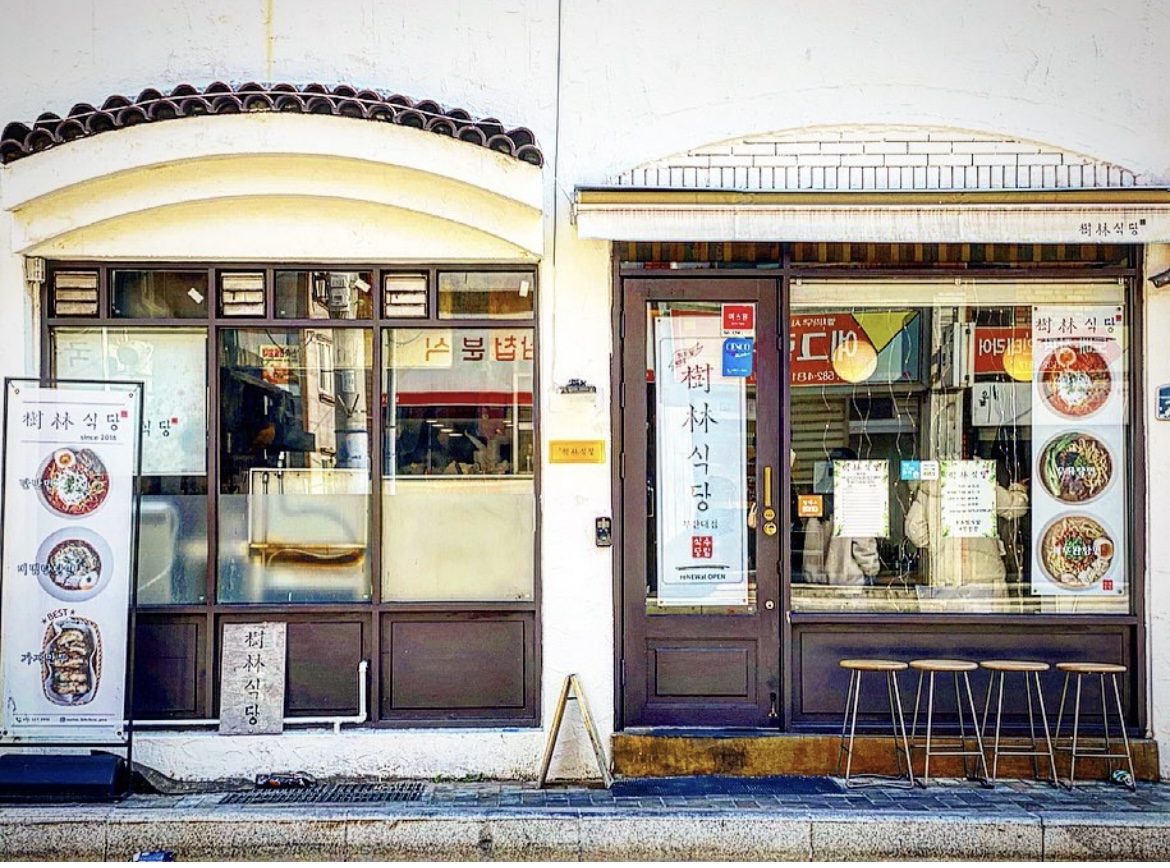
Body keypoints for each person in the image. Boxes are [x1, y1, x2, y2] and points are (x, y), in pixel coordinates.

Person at [903, 460, 1029, 598]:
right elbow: (1016, 508)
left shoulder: (929, 487)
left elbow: (915, 531)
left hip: (947, 577)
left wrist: (940, 545)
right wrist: (1019, 489)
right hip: (985, 576)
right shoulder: (981, 481)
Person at [801, 447, 881, 586]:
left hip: (815, 585)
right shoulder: (854, 502)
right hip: (846, 586)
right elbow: (864, 550)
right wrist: (872, 571)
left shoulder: (815, 503)